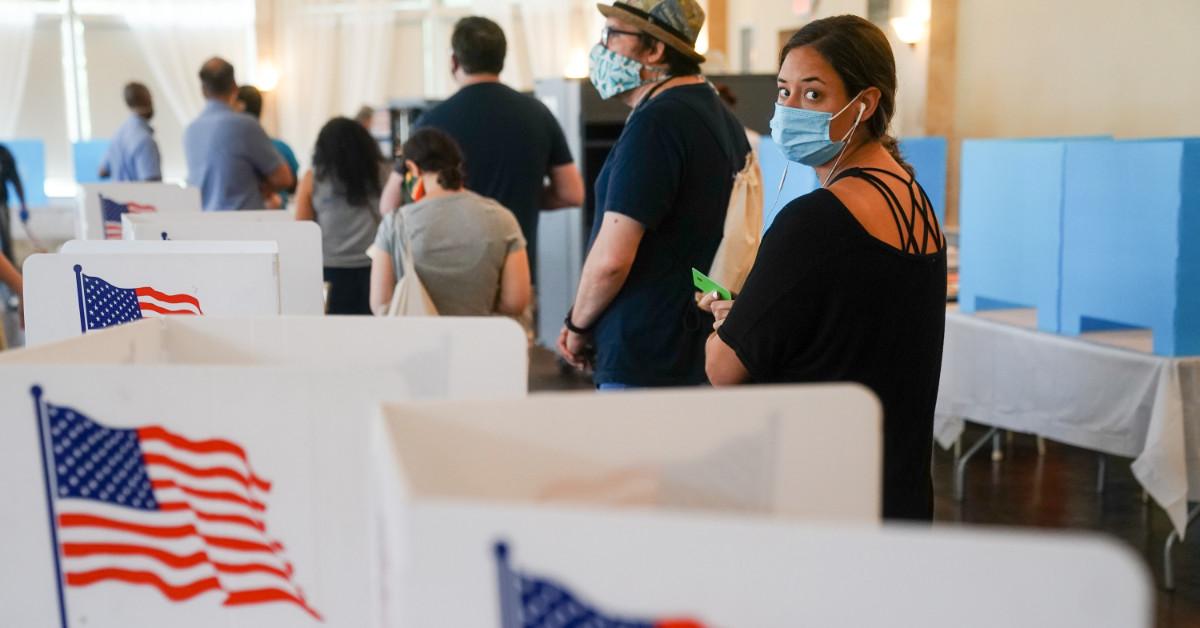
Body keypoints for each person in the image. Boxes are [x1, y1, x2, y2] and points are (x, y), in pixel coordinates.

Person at [703, 15, 947, 521]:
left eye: (813, 95)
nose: (790, 109)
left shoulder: (816, 219)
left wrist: (729, 329)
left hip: (823, 496)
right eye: (783, 91)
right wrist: (754, 320)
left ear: (866, 104)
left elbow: (722, 369)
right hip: (898, 490)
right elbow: (851, 330)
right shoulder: (915, 200)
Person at [556, 0, 750, 389]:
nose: (601, 49)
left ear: (656, 49)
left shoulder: (658, 122)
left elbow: (612, 258)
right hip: (692, 344)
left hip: (644, 353)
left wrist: (577, 323)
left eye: (612, 35)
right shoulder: (719, 117)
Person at [378, 16, 583, 282]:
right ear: (502, 59)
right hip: (514, 270)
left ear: (454, 61)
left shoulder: (431, 121)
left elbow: (389, 203)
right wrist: (526, 196)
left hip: (447, 274)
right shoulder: (538, 114)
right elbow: (572, 193)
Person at [368, 128, 530, 318]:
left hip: (415, 342)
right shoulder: (502, 218)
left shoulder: (395, 223)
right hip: (481, 340)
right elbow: (515, 302)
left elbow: (380, 303)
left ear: (413, 168)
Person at [294, 117, 386, 315]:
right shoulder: (382, 174)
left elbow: (301, 230)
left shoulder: (313, 179)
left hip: (329, 271)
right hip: (376, 267)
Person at [184, 57, 293, 211]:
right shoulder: (245, 125)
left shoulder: (190, 131)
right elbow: (283, 178)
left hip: (205, 227)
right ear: (235, 87)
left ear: (203, 90)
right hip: (244, 227)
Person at [235, 85, 299, 208]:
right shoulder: (282, 148)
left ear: (239, 107)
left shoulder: (234, 152)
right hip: (282, 219)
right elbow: (293, 187)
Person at [98, 82, 162, 182]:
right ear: (148, 98)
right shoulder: (145, 140)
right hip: (139, 197)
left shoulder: (118, 135)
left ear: (128, 103)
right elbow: (152, 185)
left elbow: (102, 171)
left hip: (118, 196)